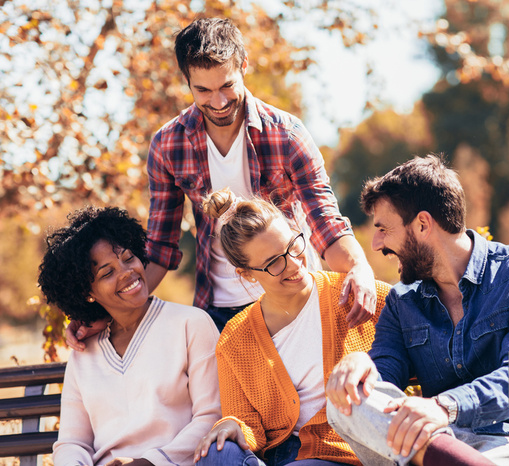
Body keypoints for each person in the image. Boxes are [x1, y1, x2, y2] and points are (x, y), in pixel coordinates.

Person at [65, 17, 376, 347]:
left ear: (244, 66)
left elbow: (324, 223)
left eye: (227, 86)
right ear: (187, 82)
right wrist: (109, 313)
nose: (218, 101)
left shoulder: (287, 134)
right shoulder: (169, 145)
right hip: (219, 311)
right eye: (203, 90)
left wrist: (359, 268)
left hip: (292, 295)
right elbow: (161, 249)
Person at [325, 155, 509, 466]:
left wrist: (445, 406)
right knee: (345, 401)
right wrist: (360, 365)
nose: (377, 244)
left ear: (422, 224)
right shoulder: (402, 302)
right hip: (441, 443)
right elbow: (384, 375)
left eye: (383, 228)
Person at [188, 188, 390, 466]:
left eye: (293, 246)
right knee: (216, 455)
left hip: (345, 451)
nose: (294, 264)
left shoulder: (356, 294)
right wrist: (232, 425)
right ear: (246, 273)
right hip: (279, 455)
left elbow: (418, 357)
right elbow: (246, 422)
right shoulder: (234, 338)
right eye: (274, 263)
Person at [38, 206, 221, 466]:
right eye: (107, 273)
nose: (127, 272)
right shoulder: (84, 352)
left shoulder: (190, 324)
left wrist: (148, 463)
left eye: (128, 257)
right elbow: (72, 442)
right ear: (87, 292)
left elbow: (212, 417)